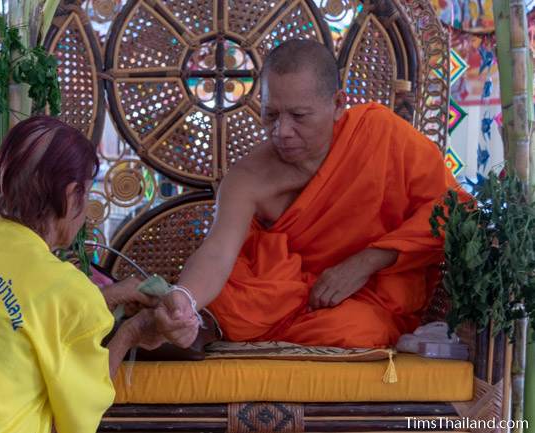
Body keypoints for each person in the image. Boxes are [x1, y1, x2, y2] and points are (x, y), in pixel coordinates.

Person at [0, 116, 198, 433]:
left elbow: (1, 311)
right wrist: (131, 333)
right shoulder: (65, 288)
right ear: (71, 194)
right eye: (86, 194)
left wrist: (107, 297)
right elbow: (81, 410)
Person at [162, 39, 462, 349]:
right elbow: (218, 250)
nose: (282, 131)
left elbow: (455, 210)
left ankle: (228, 330)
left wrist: (366, 262)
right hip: (280, 298)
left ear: (338, 104)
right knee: (226, 295)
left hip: (361, 295)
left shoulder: (381, 135)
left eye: (299, 116)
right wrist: (185, 299)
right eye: (271, 115)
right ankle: (200, 326)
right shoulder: (248, 179)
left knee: (356, 330)